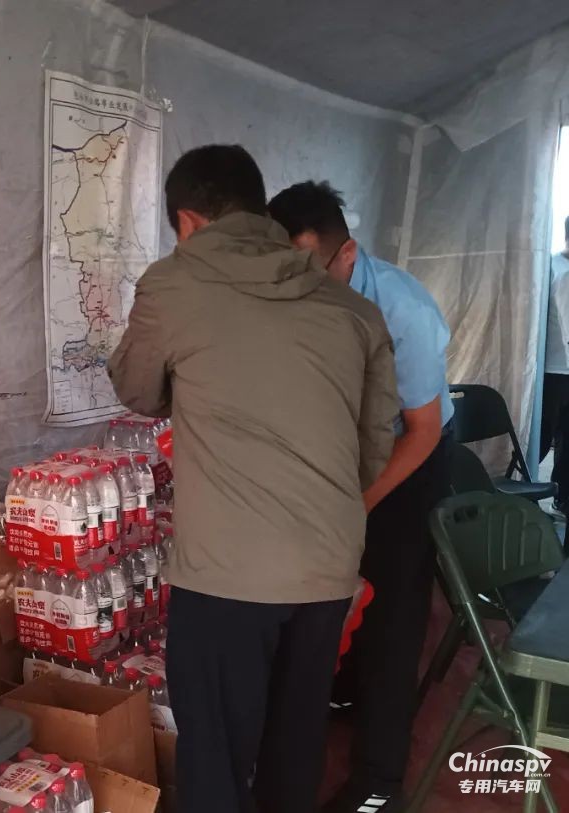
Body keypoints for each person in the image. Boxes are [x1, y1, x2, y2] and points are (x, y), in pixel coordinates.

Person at [109, 146, 398, 813]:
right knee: (296, 741)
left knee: (215, 755)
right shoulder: (353, 310)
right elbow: (373, 442)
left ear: (187, 221)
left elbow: (137, 388)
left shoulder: (174, 285)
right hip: (325, 568)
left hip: (226, 573)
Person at [268, 181, 455, 813]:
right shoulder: (299, 294)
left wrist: (358, 504)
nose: (294, 287)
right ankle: (345, 694)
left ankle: (379, 782)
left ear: (346, 254)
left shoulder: (403, 311)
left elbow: (423, 430)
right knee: (332, 592)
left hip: (410, 456)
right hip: (344, 451)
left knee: (393, 614)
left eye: (308, 271)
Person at [540, 216, 569, 512]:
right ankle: (520, 491)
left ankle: (562, 499)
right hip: (552, 369)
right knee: (543, 435)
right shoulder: (549, 266)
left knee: (568, 442)